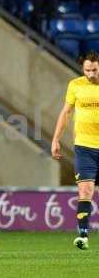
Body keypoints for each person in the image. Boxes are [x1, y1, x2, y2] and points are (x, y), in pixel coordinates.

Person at [52, 51, 99, 250]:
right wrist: (55, 139)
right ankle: (83, 235)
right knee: (85, 190)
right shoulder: (75, 85)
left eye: (94, 70)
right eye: (87, 70)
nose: (90, 74)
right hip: (84, 147)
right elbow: (66, 113)